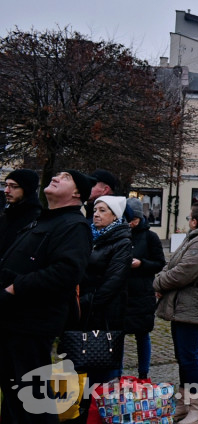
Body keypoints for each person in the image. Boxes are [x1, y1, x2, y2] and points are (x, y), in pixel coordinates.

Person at [0, 170, 92, 424]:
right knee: (14, 398)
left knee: (33, 400)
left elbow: (65, 273)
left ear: (76, 193)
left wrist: (14, 288)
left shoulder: (75, 225)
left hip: (32, 324)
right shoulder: (44, 220)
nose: (56, 176)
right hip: (13, 320)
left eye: (66, 177)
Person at [154, 202, 198, 424]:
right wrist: (162, 279)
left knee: (189, 357)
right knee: (183, 357)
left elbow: (182, 273)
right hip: (182, 304)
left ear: (195, 220)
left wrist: (157, 284)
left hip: (192, 304)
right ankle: (184, 405)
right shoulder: (196, 237)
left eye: (189, 218)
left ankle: (197, 410)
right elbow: (172, 264)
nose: (188, 222)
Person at [75, 195, 132, 398]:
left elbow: (114, 281)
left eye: (102, 211)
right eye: (95, 210)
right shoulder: (92, 237)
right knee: (84, 365)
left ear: (115, 216)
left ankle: (101, 411)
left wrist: (86, 303)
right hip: (87, 311)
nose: (96, 215)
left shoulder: (121, 242)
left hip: (105, 314)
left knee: (102, 368)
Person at [122, 197, 166, 380]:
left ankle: (143, 374)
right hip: (121, 292)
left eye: (133, 220)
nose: (130, 223)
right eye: (128, 219)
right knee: (118, 336)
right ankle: (117, 374)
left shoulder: (150, 236)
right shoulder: (120, 233)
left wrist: (141, 264)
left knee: (142, 335)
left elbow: (159, 263)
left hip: (141, 292)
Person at [0, 169, 42, 259]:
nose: (6, 190)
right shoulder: (6, 215)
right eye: (6, 185)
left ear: (27, 189)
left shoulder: (37, 220)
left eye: (13, 186)